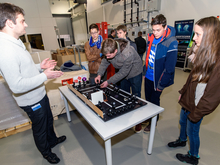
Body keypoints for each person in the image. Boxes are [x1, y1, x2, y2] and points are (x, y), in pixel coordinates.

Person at [0, 3, 66, 164]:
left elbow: (24, 69)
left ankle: (52, 141)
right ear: (10, 23)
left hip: (39, 94)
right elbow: (16, 85)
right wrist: (44, 76)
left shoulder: (16, 42)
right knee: (40, 128)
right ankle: (46, 152)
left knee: (49, 120)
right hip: (31, 100)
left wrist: (39, 67)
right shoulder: (5, 50)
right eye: (22, 21)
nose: (26, 24)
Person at [168, 16, 220, 165]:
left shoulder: (217, 62)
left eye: (198, 35)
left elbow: (212, 97)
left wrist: (196, 114)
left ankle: (193, 156)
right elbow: (192, 77)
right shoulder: (204, 53)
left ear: (210, 36)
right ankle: (182, 140)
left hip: (198, 106)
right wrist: (183, 92)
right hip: (189, 99)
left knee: (193, 131)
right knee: (182, 122)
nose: (194, 38)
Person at [135, 14, 178, 133]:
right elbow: (148, 56)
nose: (155, 33)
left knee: (154, 102)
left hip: (159, 79)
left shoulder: (171, 42)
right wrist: (144, 71)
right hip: (148, 76)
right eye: (153, 30)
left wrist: (161, 85)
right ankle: (149, 118)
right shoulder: (151, 38)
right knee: (148, 100)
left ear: (165, 27)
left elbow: (169, 68)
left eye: (158, 30)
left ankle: (154, 122)